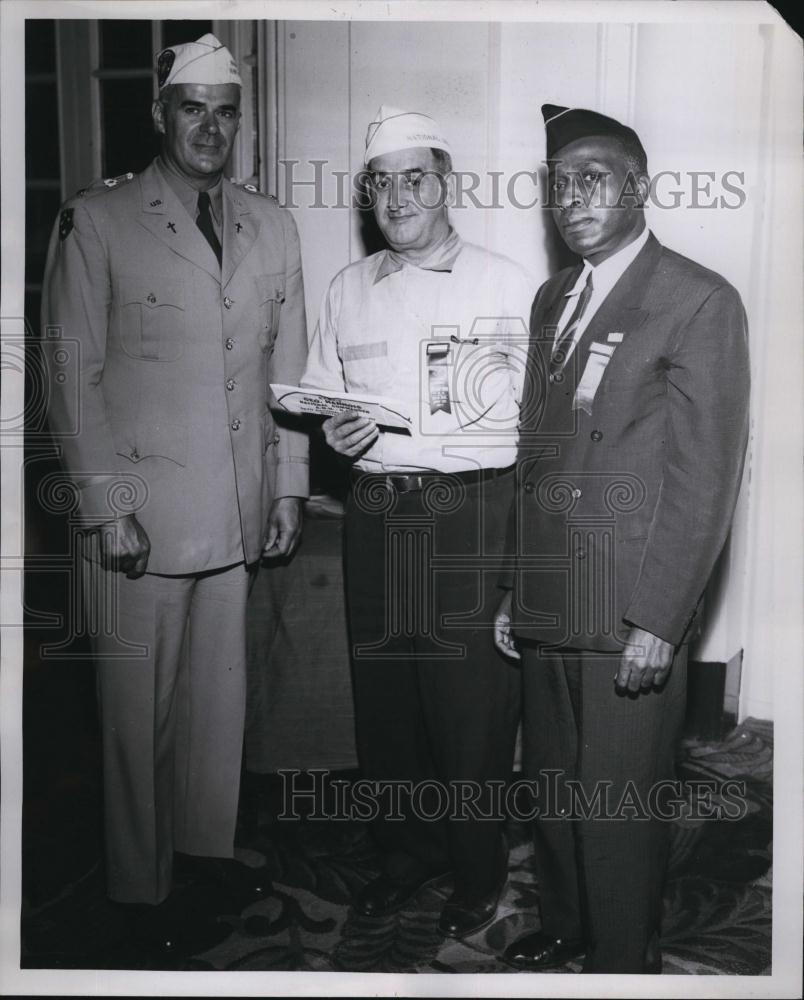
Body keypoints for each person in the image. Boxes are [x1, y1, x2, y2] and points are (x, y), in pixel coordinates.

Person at [41, 34, 309, 953]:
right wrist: (107, 508)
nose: (210, 127)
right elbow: (71, 376)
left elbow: (288, 371)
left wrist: (288, 488)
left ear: (240, 120)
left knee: (214, 710)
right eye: (192, 108)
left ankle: (201, 858)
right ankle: (138, 895)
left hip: (236, 513)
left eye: (225, 110)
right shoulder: (100, 219)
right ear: (161, 115)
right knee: (136, 721)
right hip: (141, 524)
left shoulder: (271, 224)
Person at [494, 104, 750, 973]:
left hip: (628, 605)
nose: (573, 197)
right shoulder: (552, 297)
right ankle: (569, 923)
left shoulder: (697, 299)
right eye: (559, 183)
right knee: (553, 782)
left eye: (594, 177)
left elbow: (706, 477)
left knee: (618, 800)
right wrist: (512, 585)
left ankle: (621, 964)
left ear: (640, 186)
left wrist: (661, 617)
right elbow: (537, 452)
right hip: (549, 594)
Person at [301, 105, 534, 938]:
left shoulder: (510, 285)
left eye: (415, 178)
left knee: (470, 709)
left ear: (447, 185)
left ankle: (477, 872)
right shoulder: (345, 291)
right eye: (382, 182)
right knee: (389, 705)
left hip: (472, 513)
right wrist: (334, 431)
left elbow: (544, 427)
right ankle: (408, 855)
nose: (398, 196)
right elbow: (325, 397)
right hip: (375, 511)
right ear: (367, 196)